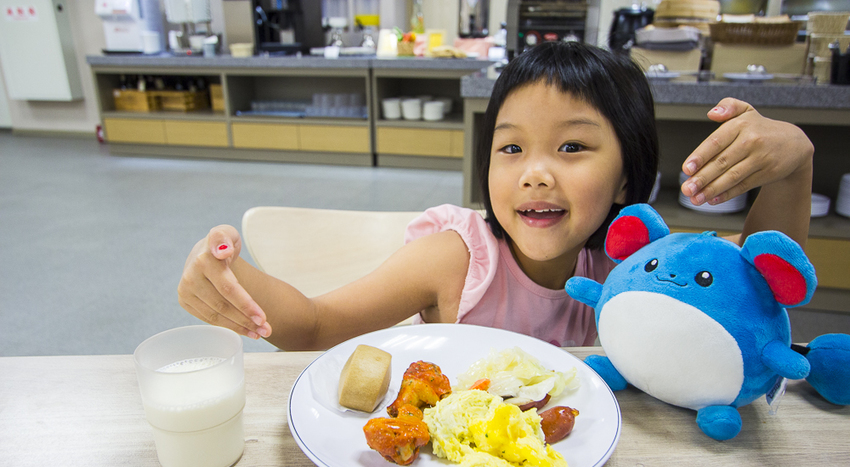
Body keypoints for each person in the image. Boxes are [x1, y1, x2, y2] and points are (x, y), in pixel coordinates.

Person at [177, 41, 814, 350]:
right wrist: (232, 278)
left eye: (571, 148)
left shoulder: (638, 264)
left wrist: (792, 169)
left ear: (627, 177)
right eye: (511, 148)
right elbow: (314, 326)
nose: (534, 174)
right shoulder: (457, 260)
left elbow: (761, 287)